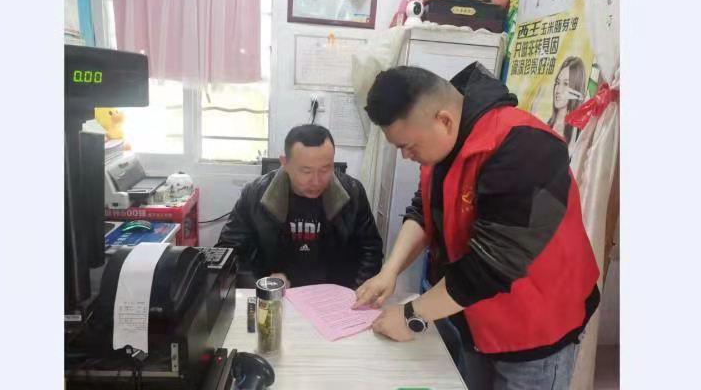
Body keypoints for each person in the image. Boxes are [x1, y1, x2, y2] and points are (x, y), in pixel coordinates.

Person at [355, 63, 600, 390]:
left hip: (535, 331)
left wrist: (413, 315)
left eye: (408, 146)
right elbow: (424, 211)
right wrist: (390, 271)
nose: (406, 156)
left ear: (444, 120)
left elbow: (492, 266)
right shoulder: (446, 142)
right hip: (474, 315)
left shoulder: (527, 148)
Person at [215, 124, 383, 289]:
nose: (316, 181)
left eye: (325, 169)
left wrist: (354, 292)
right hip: (276, 298)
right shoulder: (255, 194)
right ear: (285, 163)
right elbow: (228, 253)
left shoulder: (352, 193)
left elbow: (371, 251)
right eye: (306, 171)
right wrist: (263, 284)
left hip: (334, 296)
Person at [547, 56, 587, 151]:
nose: (558, 90)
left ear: (576, 88)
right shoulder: (546, 124)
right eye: (557, 82)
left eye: (565, 84)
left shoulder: (578, 133)